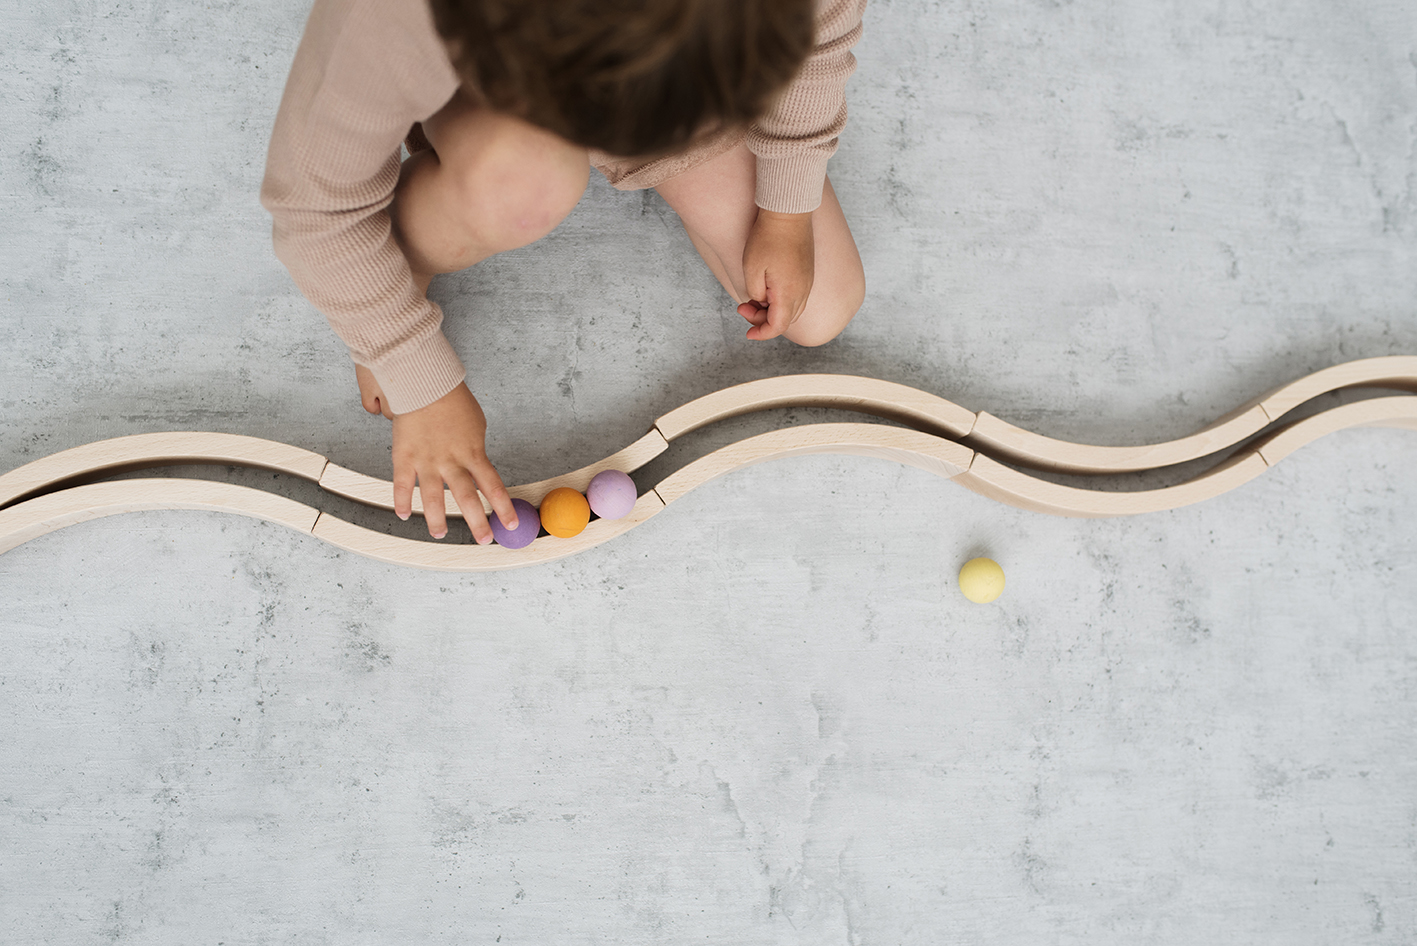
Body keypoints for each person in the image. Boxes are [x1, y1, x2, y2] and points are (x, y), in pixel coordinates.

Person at [261, 0, 867, 544]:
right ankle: (404, 255)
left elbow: (824, 27)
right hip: (491, 81)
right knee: (521, 187)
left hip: (635, 54)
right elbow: (314, 206)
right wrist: (411, 365)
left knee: (821, 306)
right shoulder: (399, 17)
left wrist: (786, 208)